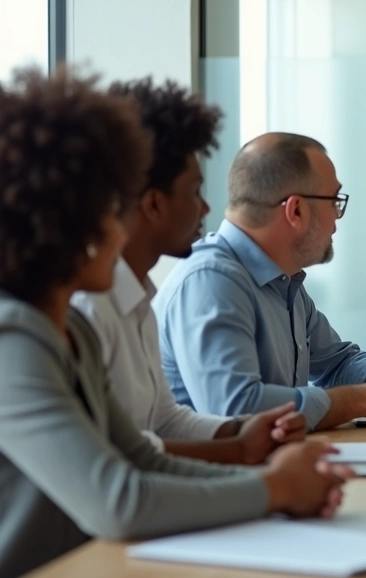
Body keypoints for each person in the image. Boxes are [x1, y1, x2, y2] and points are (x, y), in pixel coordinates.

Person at [0, 67, 352, 578]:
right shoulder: (14, 342)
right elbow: (119, 499)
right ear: (65, 220)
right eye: (113, 208)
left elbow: (142, 455)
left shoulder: (70, 331)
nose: (122, 227)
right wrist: (274, 489)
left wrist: (258, 467)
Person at [154, 132, 366, 431]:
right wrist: (361, 400)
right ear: (295, 211)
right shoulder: (212, 282)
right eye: (334, 201)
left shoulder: (285, 280)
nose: (338, 216)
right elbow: (236, 410)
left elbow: (338, 363)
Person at [71, 78, 306, 465]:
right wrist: (247, 459)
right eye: (194, 192)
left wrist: (242, 431)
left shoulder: (139, 296)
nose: (205, 208)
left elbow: (163, 419)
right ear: (153, 204)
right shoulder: (91, 309)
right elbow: (116, 455)